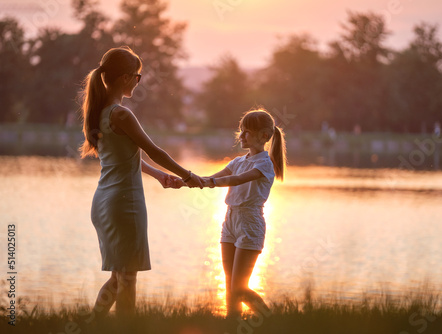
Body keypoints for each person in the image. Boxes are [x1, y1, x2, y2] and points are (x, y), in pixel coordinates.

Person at [79, 46, 204, 317]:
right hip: (125, 203)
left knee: (118, 278)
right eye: (137, 76)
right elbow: (155, 151)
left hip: (104, 202)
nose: (138, 81)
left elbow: (126, 157)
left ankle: (91, 325)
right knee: (128, 279)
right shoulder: (121, 114)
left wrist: (159, 175)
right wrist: (189, 176)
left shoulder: (99, 113)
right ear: (125, 78)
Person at [201, 109, 287, 318]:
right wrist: (187, 180)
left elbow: (237, 180)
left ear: (264, 136)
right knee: (231, 289)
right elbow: (211, 178)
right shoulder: (237, 162)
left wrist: (210, 182)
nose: (241, 136)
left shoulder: (265, 164)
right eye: (241, 131)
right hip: (230, 221)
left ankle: (271, 321)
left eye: (246, 132)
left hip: (250, 224)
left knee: (239, 288)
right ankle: (232, 324)